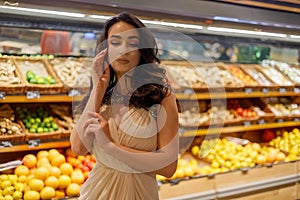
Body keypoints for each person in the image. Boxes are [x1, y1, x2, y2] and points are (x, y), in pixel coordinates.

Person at [70, 12, 179, 199]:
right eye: (115, 42)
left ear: (142, 50)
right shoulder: (101, 93)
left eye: (133, 44)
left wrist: (111, 147)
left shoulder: (161, 97)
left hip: (140, 193)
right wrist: (98, 88)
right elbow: (78, 147)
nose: (123, 50)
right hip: (97, 192)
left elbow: (168, 167)